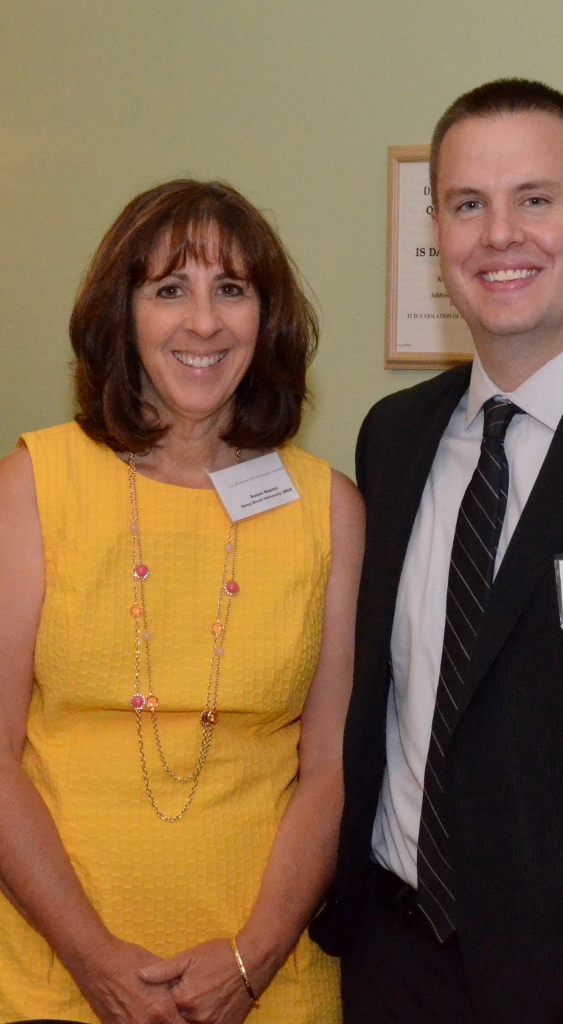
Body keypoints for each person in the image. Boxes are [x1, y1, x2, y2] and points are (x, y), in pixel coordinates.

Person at [311, 78, 563, 1023]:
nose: (499, 235)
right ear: (439, 233)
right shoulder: (394, 438)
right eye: (467, 205)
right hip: (395, 965)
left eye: (535, 199)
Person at [0, 179, 364, 1024]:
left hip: (268, 983)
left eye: (231, 289)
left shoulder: (330, 509)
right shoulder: (33, 486)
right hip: (56, 976)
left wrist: (252, 958)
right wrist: (93, 960)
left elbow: (333, 767)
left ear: (266, 318)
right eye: (169, 290)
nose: (204, 323)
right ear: (121, 314)